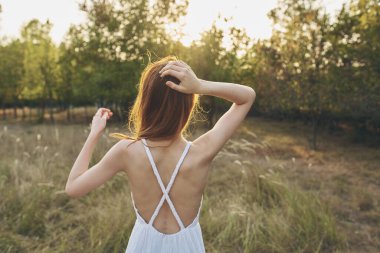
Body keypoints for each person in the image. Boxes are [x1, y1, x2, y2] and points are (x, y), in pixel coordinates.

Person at [65, 56, 256, 252]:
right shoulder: (201, 152)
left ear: (145, 102)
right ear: (188, 104)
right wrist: (199, 85)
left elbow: (73, 188)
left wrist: (94, 134)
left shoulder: (127, 151)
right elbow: (247, 96)